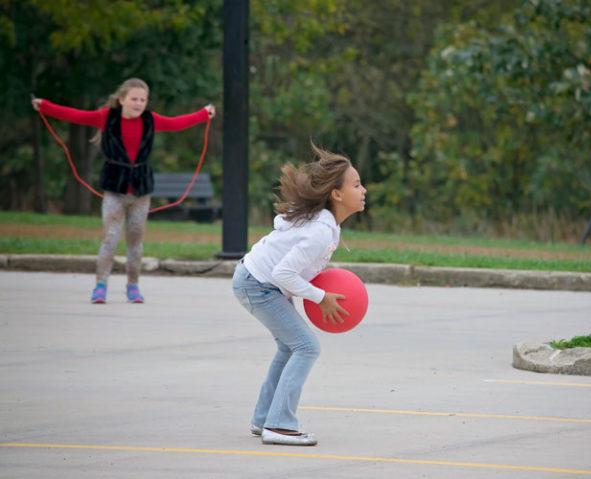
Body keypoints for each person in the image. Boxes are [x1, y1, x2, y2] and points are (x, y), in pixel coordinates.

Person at [32, 78, 215, 304]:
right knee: (109, 238)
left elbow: (176, 123)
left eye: (143, 100)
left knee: (135, 240)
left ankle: (133, 286)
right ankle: (100, 286)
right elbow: (75, 115)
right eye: (134, 99)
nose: (138, 104)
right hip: (114, 190)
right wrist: (45, 106)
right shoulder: (106, 117)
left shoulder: (150, 120)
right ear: (122, 99)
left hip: (140, 192)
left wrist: (203, 114)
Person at [232, 144, 366, 446]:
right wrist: (321, 297)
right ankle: (279, 425)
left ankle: (264, 418)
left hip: (259, 281)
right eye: (356, 185)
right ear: (337, 194)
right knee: (306, 347)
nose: (363, 190)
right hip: (258, 284)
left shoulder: (326, 226)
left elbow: (295, 269)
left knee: (289, 348)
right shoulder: (321, 230)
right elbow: (283, 273)